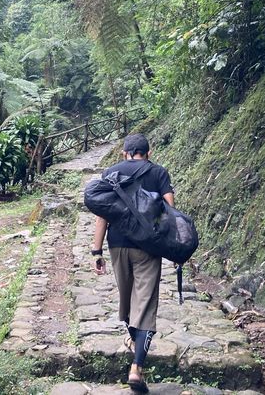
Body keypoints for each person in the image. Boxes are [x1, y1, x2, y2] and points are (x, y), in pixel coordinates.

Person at [90, 133, 174, 393]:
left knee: (127, 303)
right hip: (147, 248)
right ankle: (136, 369)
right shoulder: (158, 172)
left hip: (117, 245)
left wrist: (96, 251)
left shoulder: (112, 172)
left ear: (125, 153)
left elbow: (103, 214)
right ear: (148, 153)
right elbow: (169, 210)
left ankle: (132, 340)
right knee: (145, 305)